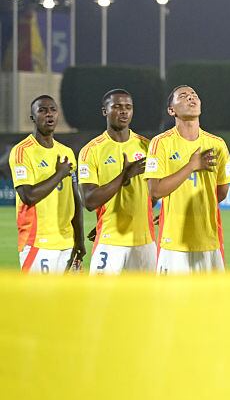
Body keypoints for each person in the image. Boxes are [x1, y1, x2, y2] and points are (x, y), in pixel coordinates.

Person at [145, 85, 230, 274]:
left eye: (194, 95)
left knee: (212, 303)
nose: (191, 98)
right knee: (173, 302)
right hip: (173, 244)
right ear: (172, 110)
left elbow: (222, 191)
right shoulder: (160, 143)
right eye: (183, 96)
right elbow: (155, 191)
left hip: (209, 240)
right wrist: (191, 166)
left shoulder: (217, 144)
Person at [78, 89, 155, 273]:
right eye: (117, 106)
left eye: (128, 107)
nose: (124, 111)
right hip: (110, 240)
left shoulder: (148, 146)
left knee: (146, 301)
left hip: (144, 241)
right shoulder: (91, 151)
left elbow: (156, 192)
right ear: (105, 111)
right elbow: (89, 201)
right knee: (101, 299)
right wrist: (124, 176)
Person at [9, 95, 85, 273]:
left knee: (68, 300)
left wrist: (79, 239)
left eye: (52, 110)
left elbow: (75, 200)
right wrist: (60, 174)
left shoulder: (66, 152)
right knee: (39, 301)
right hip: (37, 242)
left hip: (67, 243)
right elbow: (28, 196)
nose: (49, 114)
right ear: (33, 118)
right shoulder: (22, 151)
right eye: (42, 110)